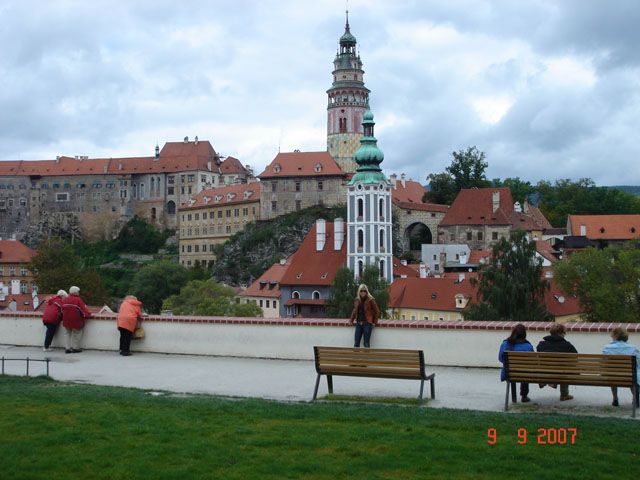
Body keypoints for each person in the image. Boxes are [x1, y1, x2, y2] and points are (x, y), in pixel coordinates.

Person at [536, 323, 578, 401]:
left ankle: (549, 381)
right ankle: (564, 395)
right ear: (561, 334)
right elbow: (575, 357)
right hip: (561, 373)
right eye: (564, 333)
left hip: (545, 373)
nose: (564, 335)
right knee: (566, 369)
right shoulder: (567, 345)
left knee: (558, 367)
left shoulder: (541, 345)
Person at [602, 327, 640, 407]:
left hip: (613, 376)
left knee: (612, 373)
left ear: (615, 336)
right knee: (634, 374)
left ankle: (615, 398)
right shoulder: (633, 348)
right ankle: (635, 398)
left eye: (612, 336)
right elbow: (638, 364)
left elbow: (604, 364)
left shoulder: (607, 348)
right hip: (630, 376)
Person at [498, 323, 534, 402]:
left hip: (509, 373)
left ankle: (514, 399)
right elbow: (532, 361)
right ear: (524, 334)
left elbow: (501, 358)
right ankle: (524, 396)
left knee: (516, 370)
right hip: (525, 373)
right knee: (525, 370)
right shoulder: (528, 346)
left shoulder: (505, 344)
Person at [61, 286, 92, 354]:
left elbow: (62, 310)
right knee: (77, 334)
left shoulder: (65, 299)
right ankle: (75, 348)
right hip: (76, 320)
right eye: (78, 291)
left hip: (66, 320)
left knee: (67, 334)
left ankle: (67, 348)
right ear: (75, 292)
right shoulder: (78, 299)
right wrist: (88, 315)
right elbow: (83, 309)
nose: (78, 293)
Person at [349, 284, 380, 348]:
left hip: (367, 324)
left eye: (364, 291)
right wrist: (351, 320)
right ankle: (356, 358)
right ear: (359, 291)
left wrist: (374, 322)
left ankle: (366, 358)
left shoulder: (371, 300)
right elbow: (354, 310)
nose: (363, 292)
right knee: (356, 343)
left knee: (366, 343)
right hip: (358, 324)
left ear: (367, 291)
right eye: (361, 291)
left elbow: (377, 311)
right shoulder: (357, 300)